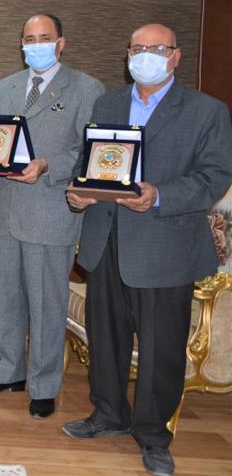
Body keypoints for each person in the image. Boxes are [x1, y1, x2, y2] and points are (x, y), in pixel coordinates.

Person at [63, 24, 232, 476]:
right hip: (105, 241)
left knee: (161, 349)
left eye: (156, 48)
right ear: (127, 55)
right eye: (137, 48)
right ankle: (109, 414)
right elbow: (90, 163)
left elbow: (214, 177)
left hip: (165, 247)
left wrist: (160, 196)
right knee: (106, 337)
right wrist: (78, 191)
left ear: (175, 56)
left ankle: (154, 435)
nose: (145, 56)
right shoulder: (109, 104)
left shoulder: (206, 111)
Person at [0, 13, 104, 419]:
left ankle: (44, 385)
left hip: (49, 209)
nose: (36, 44)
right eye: (29, 38)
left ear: (61, 43)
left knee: (46, 302)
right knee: (7, 296)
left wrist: (48, 165)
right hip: (4, 209)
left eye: (45, 37)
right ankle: (8, 370)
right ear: (21, 43)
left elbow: (89, 151)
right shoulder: (6, 86)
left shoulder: (86, 88)